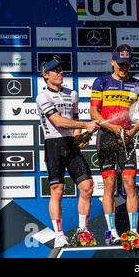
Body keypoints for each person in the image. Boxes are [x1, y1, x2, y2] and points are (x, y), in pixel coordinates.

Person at [36, 59, 100, 248]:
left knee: (87, 186)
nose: (60, 73)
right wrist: (85, 125)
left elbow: (74, 119)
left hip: (71, 145)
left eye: (61, 69)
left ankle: (83, 232)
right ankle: (59, 234)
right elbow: (59, 122)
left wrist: (81, 136)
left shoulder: (72, 94)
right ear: (46, 75)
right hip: (53, 145)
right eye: (54, 71)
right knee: (58, 190)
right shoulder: (42, 96)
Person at [90, 44, 139, 242]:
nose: (124, 68)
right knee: (109, 184)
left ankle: (133, 231)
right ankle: (111, 232)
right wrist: (113, 128)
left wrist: (131, 132)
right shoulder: (101, 82)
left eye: (127, 64)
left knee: (130, 183)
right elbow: (93, 112)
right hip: (106, 137)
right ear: (113, 62)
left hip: (127, 138)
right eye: (120, 64)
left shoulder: (138, 84)